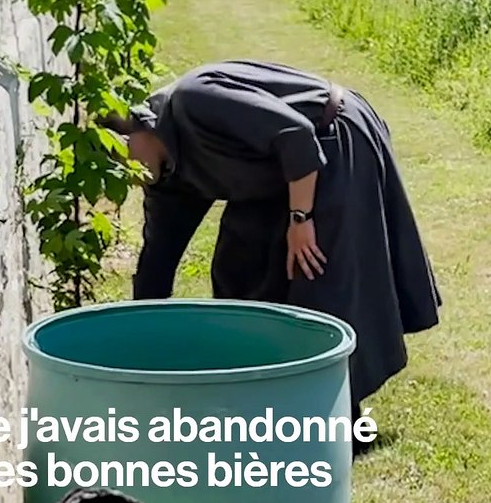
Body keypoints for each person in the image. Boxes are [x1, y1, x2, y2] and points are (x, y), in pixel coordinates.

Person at [102, 60, 442, 450]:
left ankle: (341, 425)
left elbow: (295, 135)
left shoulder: (195, 100)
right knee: (239, 272)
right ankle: (265, 405)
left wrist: (301, 219)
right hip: (277, 175)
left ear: (137, 127)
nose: (127, 173)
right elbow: (157, 263)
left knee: (317, 279)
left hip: (332, 137)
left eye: (120, 157)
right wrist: (135, 346)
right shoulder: (167, 178)